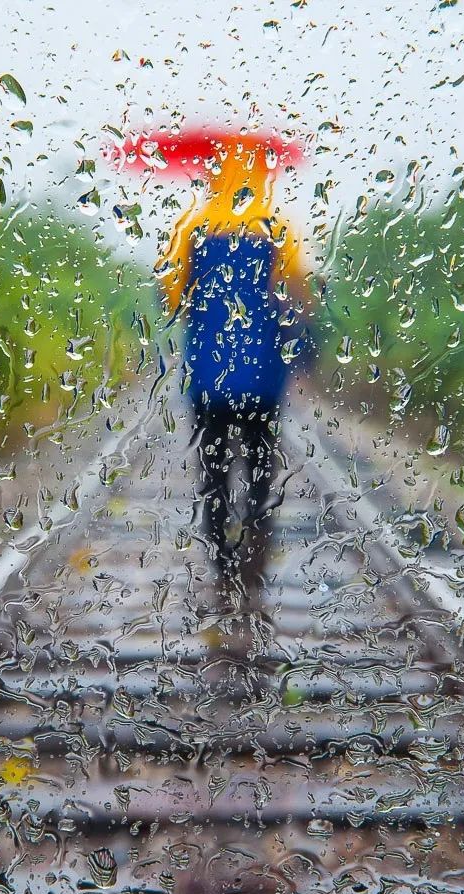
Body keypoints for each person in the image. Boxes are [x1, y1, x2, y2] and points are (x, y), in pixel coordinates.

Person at [156, 135, 314, 608]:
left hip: (208, 377)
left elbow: (172, 297)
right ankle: (254, 558)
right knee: (261, 470)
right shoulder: (277, 228)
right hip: (263, 378)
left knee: (213, 472)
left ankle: (222, 562)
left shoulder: (193, 229)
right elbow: (298, 298)